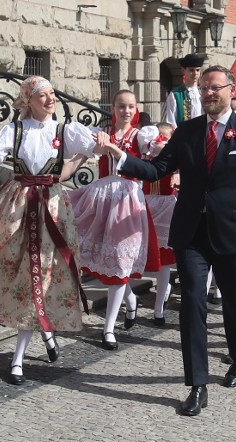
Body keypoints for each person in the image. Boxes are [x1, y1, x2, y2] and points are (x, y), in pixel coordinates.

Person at [106, 65, 236, 416]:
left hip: (230, 230)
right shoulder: (188, 131)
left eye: (215, 88)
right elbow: (156, 169)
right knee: (193, 303)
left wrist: (235, 206)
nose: (209, 93)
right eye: (204, 89)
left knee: (235, 300)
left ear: (231, 89)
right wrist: (121, 157)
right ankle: (197, 384)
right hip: (191, 232)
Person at [0, 76, 103, 385]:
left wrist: (90, 151)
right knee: (26, 277)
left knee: (38, 278)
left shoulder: (65, 130)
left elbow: (83, 157)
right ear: (29, 100)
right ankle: (45, 333)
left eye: (52, 94)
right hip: (17, 208)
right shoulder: (14, 131)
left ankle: (18, 359)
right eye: (43, 95)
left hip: (51, 210)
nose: (50, 99)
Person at [69, 89, 156, 351]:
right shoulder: (101, 132)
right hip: (100, 199)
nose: (126, 111)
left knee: (120, 259)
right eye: (121, 106)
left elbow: (158, 154)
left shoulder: (140, 136)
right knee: (95, 255)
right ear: (113, 107)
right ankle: (129, 300)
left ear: (136, 108)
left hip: (127, 202)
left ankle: (108, 329)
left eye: (130, 106)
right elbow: (78, 156)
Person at [137, 122, 178, 325]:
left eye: (165, 138)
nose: (160, 141)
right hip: (145, 206)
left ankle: (158, 308)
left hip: (166, 208)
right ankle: (130, 299)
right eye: (158, 137)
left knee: (163, 261)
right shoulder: (145, 156)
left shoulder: (174, 160)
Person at [163, 53, 204, 128]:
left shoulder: (203, 92)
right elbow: (171, 120)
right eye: (191, 70)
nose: (195, 73)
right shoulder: (175, 94)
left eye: (197, 70)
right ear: (183, 70)